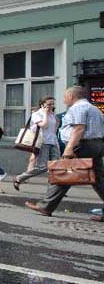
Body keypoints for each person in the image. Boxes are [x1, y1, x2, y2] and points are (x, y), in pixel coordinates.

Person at [25, 86, 104, 221]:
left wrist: (69, 148)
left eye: (65, 97)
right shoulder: (94, 108)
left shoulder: (78, 107)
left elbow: (79, 128)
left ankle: (46, 206)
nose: (64, 99)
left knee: (63, 173)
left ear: (72, 96)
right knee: (99, 178)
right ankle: (46, 205)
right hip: (96, 144)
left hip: (82, 145)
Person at [13, 96, 60, 190]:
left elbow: (54, 130)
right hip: (42, 142)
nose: (51, 106)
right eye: (49, 104)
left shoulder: (53, 115)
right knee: (42, 167)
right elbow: (44, 125)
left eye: (53, 104)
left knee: (55, 166)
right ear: (42, 105)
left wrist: (53, 117)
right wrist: (46, 114)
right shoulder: (36, 114)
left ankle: (54, 189)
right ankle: (20, 178)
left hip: (53, 142)